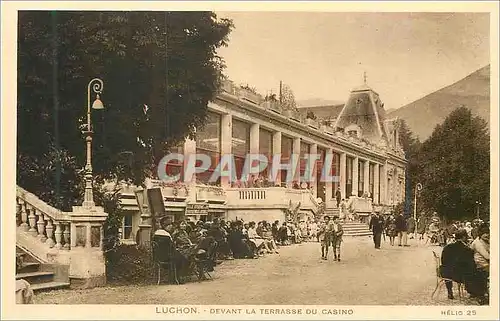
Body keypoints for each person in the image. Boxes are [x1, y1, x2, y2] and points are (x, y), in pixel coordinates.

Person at [440, 229, 476, 300]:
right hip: (460, 275)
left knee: (447, 268)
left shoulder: (447, 247)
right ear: (464, 237)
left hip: (446, 273)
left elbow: (443, 261)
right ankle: (473, 292)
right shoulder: (467, 249)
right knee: (474, 271)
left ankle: (450, 291)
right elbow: (471, 264)